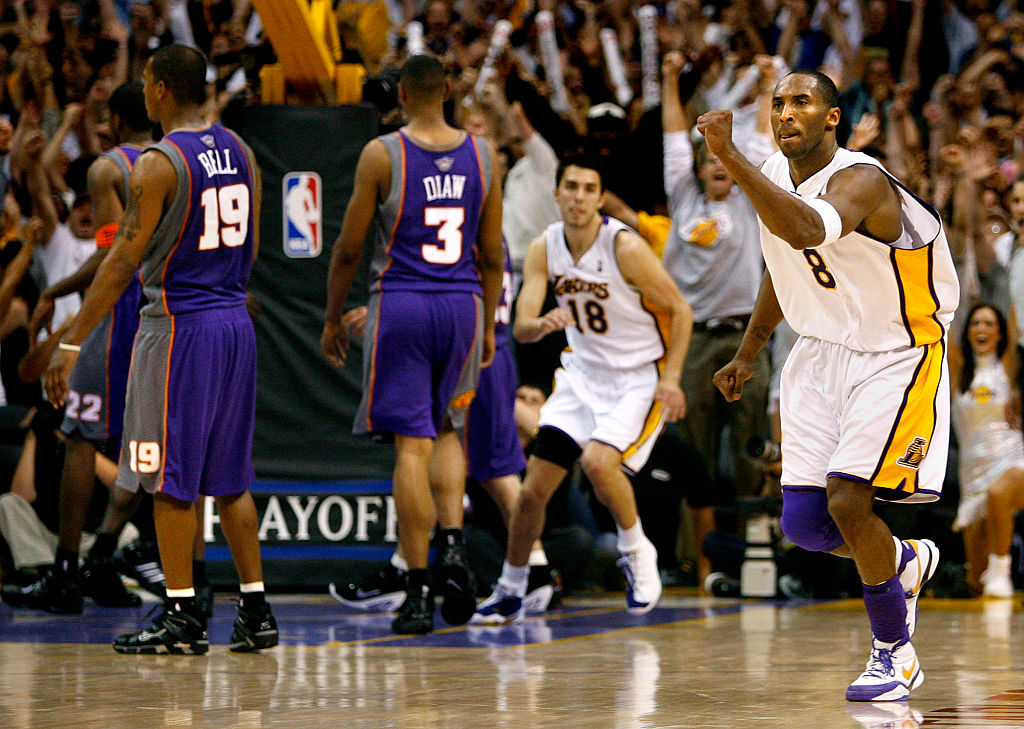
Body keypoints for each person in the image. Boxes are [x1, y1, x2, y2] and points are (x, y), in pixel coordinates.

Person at [701, 69, 958, 701]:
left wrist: (729, 156)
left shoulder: (862, 179)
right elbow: (783, 263)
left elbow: (806, 231)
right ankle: (902, 562)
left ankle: (894, 653)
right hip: (819, 351)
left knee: (847, 501)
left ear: (832, 117)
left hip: (895, 351)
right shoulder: (773, 174)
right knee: (805, 525)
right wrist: (748, 351)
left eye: (801, 102)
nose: (785, 114)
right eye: (777, 104)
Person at [44, 44, 277, 655]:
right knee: (230, 481)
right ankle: (256, 610)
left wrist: (72, 340)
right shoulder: (242, 149)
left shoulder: (157, 163)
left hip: (178, 330)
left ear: (162, 89)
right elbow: (252, 243)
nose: (143, 89)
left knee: (166, 478)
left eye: (146, 80)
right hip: (234, 323)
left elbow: (121, 261)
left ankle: (181, 616)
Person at [321, 54, 505, 635]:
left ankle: (418, 587)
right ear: (448, 91)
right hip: (462, 304)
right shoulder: (484, 154)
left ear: (401, 94)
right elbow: (492, 253)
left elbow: (349, 249)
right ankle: (453, 548)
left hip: (403, 302)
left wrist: (332, 315)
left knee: (411, 447)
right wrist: (487, 325)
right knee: (449, 428)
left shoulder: (383, 153)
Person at [471, 153, 692, 624]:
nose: (578, 197)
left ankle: (638, 551)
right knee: (532, 492)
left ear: (600, 198)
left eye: (589, 189)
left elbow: (681, 309)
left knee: (597, 463)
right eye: (571, 187)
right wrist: (540, 324)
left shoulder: (624, 246)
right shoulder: (544, 246)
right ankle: (511, 586)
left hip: (635, 377)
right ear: (557, 193)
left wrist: (671, 379)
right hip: (581, 376)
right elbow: (523, 326)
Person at [4, 84, 152, 614]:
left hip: (123, 311)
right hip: (173, 312)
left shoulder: (112, 167)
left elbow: (116, 261)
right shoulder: (179, 160)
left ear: (116, 119)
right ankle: (116, 555)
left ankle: (70, 571)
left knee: (80, 434)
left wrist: (64, 320)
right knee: (154, 443)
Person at [660, 51, 778, 505]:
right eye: (708, 158)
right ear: (698, 167)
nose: (717, 165)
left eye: (723, 158)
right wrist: (670, 78)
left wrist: (767, 86)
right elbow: (673, 138)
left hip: (747, 337)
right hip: (692, 341)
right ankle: (698, 543)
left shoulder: (751, 199)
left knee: (751, 448)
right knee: (694, 452)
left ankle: (752, 538)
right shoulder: (682, 195)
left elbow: (763, 144)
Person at [951, 303, 1024, 598]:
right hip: (972, 475)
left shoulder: (1006, 366)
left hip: (1012, 458)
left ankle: (1002, 570)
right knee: (976, 581)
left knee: (998, 492)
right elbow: (943, 328)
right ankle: (990, 574)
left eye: (989, 324)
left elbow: (1014, 313)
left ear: (1000, 333)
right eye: (976, 323)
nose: (982, 329)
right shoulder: (958, 371)